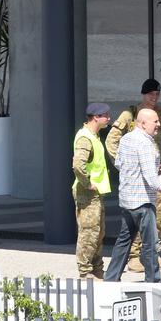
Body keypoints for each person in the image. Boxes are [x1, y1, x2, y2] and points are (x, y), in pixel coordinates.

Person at [105, 78, 161, 272]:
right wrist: (122, 165)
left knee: (157, 216)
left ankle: (154, 253)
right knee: (137, 216)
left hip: (155, 174)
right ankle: (134, 256)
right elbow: (111, 140)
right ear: (143, 95)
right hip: (136, 179)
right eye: (150, 95)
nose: (154, 98)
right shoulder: (130, 114)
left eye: (157, 95)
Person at [72, 102, 112, 280]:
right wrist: (87, 184)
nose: (108, 118)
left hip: (96, 193)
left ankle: (96, 268)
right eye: (106, 115)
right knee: (89, 231)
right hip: (87, 193)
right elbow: (78, 166)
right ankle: (85, 271)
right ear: (96, 117)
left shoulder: (94, 136)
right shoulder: (85, 138)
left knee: (98, 231)